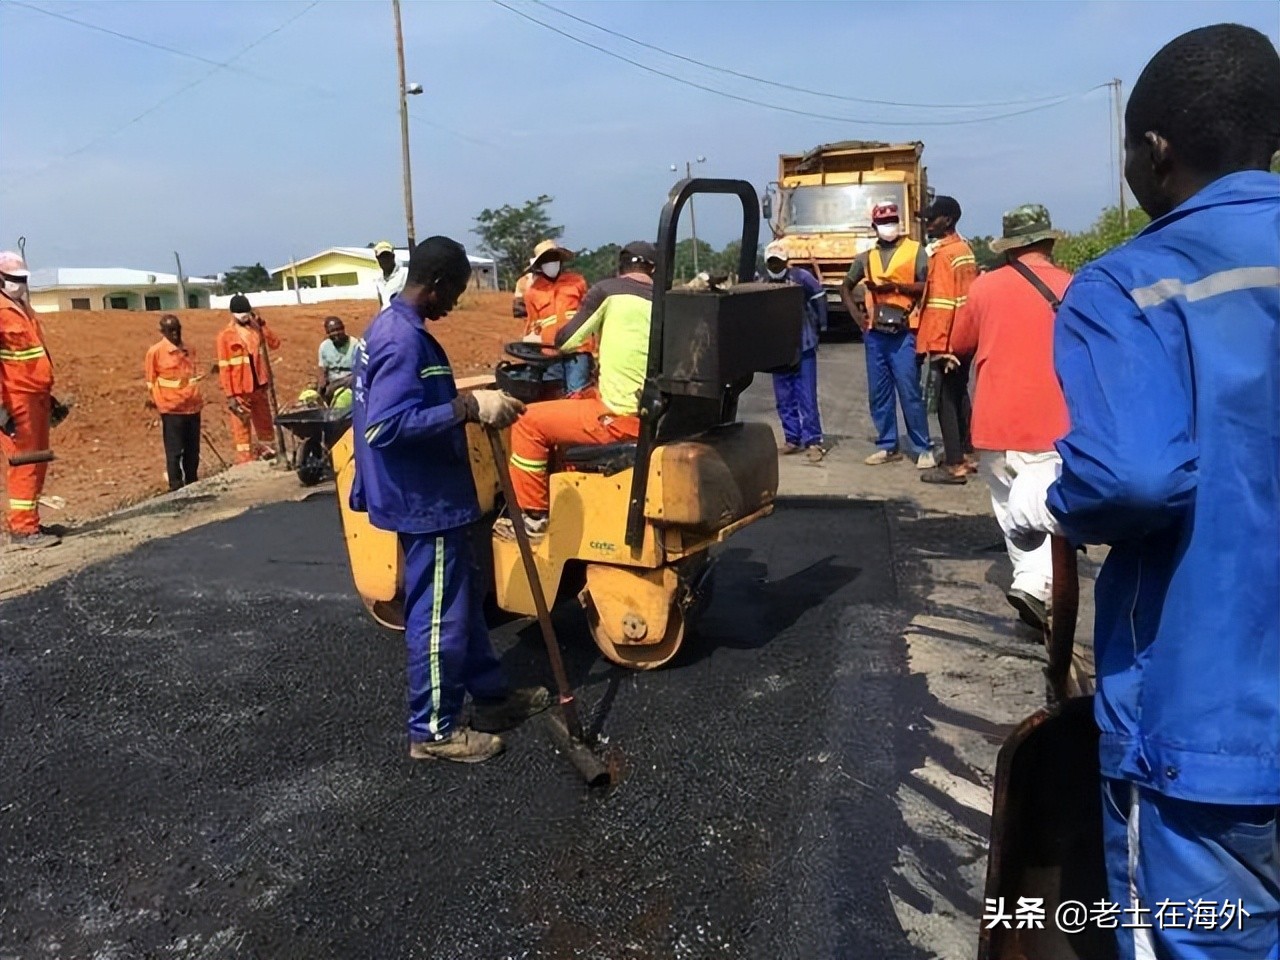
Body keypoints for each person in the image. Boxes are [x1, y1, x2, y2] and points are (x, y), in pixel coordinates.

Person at [1006, 25, 1280, 959]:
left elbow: (1134, 476)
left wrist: (1057, 499)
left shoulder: (1132, 283)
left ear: (1153, 151)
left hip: (1211, 735)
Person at [350, 235, 548, 763]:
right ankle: (432, 731)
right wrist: (465, 409)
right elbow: (384, 428)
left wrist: (469, 404)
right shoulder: (401, 341)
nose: (456, 302)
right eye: (455, 291)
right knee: (437, 614)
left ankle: (491, 698)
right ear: (434, 284)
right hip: (424, 501)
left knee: (462, 602)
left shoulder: (399, 330)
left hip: (437, 493)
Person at [949, 204, 1071, 633]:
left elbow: (961, 340)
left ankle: (1030, 580)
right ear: (1049, 242)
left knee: (1010, 505)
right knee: (1048, 504)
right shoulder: (1073, 286)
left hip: (995, 419)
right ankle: (1038, 584)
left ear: (1008, 249)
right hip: (1053, 420)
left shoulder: (983, 288)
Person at [501, 241, 656, 539]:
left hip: (618, 415)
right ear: (654, 270)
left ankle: (533, 517)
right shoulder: (664, 300)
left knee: (527, 421)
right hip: (647, 410)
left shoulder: (604, 291)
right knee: (576, 397)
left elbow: (565, 341)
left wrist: (543, 339)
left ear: (620, 268)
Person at [839, 200, 933, 468]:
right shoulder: (866, 258)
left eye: (891, 220)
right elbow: (846, 286)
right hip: (876, 333)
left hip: (904, 331)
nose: (887, 226)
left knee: (909, 390)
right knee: (879, 392)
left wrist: (899, 287)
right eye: (882, 222)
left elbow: (927, 286)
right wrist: (857, 317)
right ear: (874, 226)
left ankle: (923, 446)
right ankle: (887, 443)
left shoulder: (916, 252)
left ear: (899, 222)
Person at [915, 196, 978, 485]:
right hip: (965, 337)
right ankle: (967, 452)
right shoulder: (964, 250)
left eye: (933, 218)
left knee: (945, 401)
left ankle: (954, 464)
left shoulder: (943, 256)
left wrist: (939, 348)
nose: (927, 223)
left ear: (948, 220)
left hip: (948, 342)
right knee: (960, 394)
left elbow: (941, 305)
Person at [0, 250, 60, 548]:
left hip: (35, 396)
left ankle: (30, 522)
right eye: (14, 280)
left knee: (37, 461)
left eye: (24, 279)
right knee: (24, 462)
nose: (21, 285)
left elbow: (34, 354)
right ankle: (22, 529)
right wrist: (1, 410)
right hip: (15, 399)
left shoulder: (21, 308)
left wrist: (48, 394)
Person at [763, 241, 827, 463]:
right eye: (771, 263)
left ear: (786, 262)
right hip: (777, 347)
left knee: (806, 396)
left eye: (778, 263)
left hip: (804, 343)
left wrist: (822, 325)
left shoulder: (801, 278)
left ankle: (813, 441)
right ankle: (792, 438)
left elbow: (819, 296)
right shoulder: (763, 283)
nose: (775, 266)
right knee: (784, 397)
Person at [216, 294, 280, 464]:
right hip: (240, 389)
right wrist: (230, 395)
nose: (244, 316)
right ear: (233, 314)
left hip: (259, 384)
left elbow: (275, 344)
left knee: (264, 421)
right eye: (240, 313)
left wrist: (263, 325)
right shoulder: (225, 335)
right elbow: (224, 368)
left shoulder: (256, 328)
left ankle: (268, 451)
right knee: (241, 426)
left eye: (246, 312)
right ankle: (245, 460)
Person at [523, 239, 591, 395]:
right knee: (554, 393)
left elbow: (590, 312)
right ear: (539, 265)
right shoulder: (532, 292)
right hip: (549, 352)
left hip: (578, 348)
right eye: (546, 260)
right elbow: (532, 324)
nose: (551, 263)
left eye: (554, 259)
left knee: (577, 393)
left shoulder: (577, 282)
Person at [144, 314, 203, 491]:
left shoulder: (189, 349)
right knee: (175, 451)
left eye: (177, 329)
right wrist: (161, 403)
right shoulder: (155, 352)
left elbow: (193, 375)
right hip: (172, 409)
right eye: (170, 330)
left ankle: (193, 482)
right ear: (162, 332)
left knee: (193, 451)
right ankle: (176, 486)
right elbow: (151, 381)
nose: (175, 334)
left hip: (192, 406)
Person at [315, 316, 357, 409]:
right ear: (327, 333)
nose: (336, 333)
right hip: (332, 383)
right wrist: (320, 388)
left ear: (343, 328)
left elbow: (360, 370)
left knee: (342, 400)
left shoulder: (355, 344)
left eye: (338, 329)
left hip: (350, 384)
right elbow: (322, 369)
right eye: (332, 331)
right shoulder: (324, 347)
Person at [373, 240, 407, 308]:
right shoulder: (378, 280)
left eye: (387, 256)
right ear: (377, 259)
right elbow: (382, 304)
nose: (385, 260)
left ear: (393, 256)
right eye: (382, 257)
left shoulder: (405, 274)